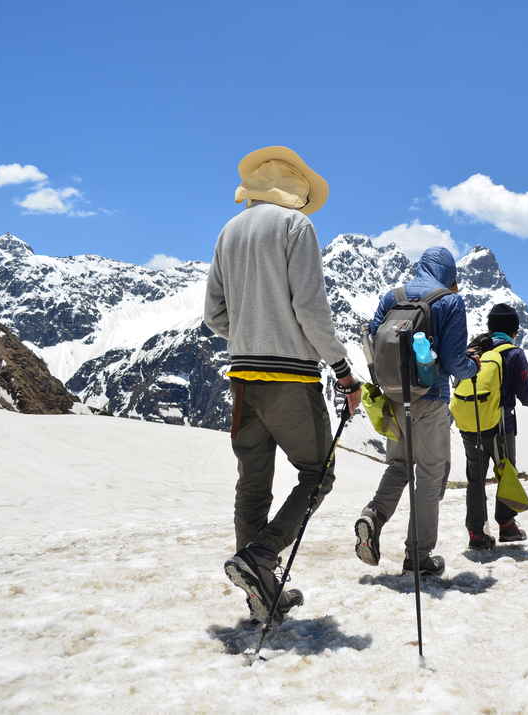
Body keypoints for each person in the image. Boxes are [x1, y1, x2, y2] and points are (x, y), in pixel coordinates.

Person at [204, 145, 362, 625]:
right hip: (290, 377)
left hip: (242, 378)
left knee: (253, 483)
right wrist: (343, 370)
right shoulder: (296, 227)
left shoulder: (228, 232)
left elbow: (214, 316)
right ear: (295, 189)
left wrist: (251, 331)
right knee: (318, 474)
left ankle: (260, 594)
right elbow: (311, 309)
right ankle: (263, 557)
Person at [354, 248, 477, 577]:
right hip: (430, 398)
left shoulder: (391, 297)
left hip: (393, 398)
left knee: (398, 466)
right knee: (429, 475)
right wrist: (472, 366)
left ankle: (373, 516)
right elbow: (453, 363)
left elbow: (371, 341)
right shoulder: (449, 302)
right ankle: (418, 556)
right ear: (450, 275)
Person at [460, 304, 528, 549]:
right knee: (506, 472)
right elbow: (525, 395)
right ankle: (507, 526)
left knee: (475, 479)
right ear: (514, 330)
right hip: (502, 425)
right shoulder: (513, 353)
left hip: (471, 422)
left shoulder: (474, 350)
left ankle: (476, 534)